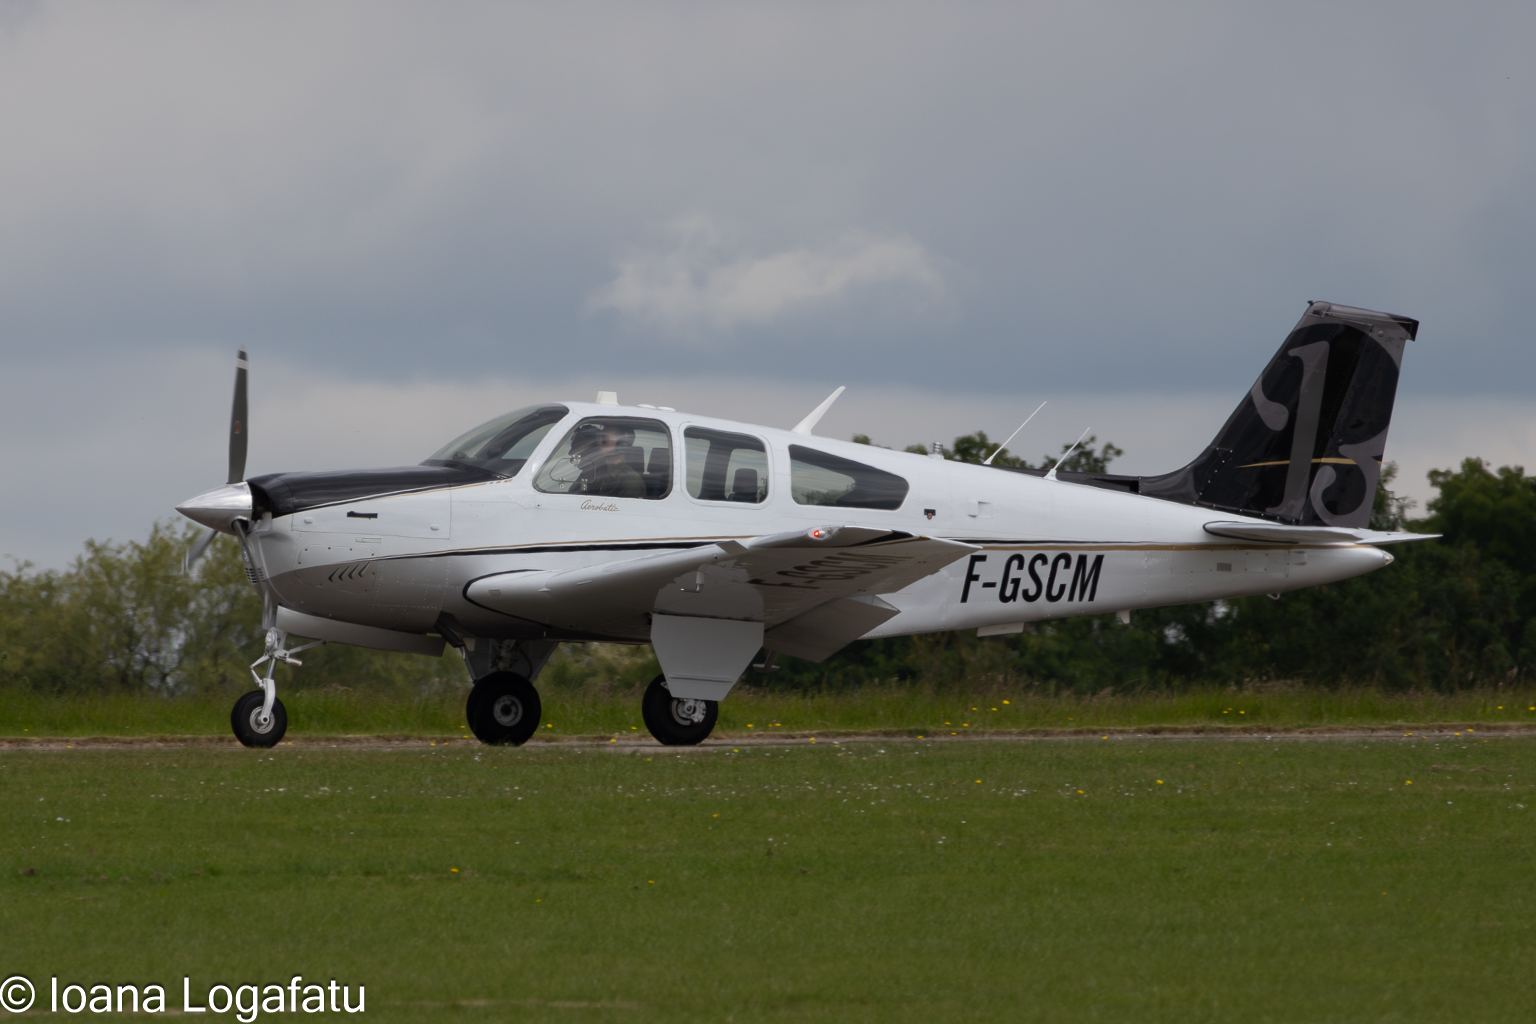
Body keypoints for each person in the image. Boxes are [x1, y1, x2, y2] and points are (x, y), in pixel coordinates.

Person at [571, 423, 647, 498]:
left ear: (622, 446)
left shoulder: (630, 480)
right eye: (599, 438)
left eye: (604, 439)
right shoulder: (593, 473)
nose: (598, 442)